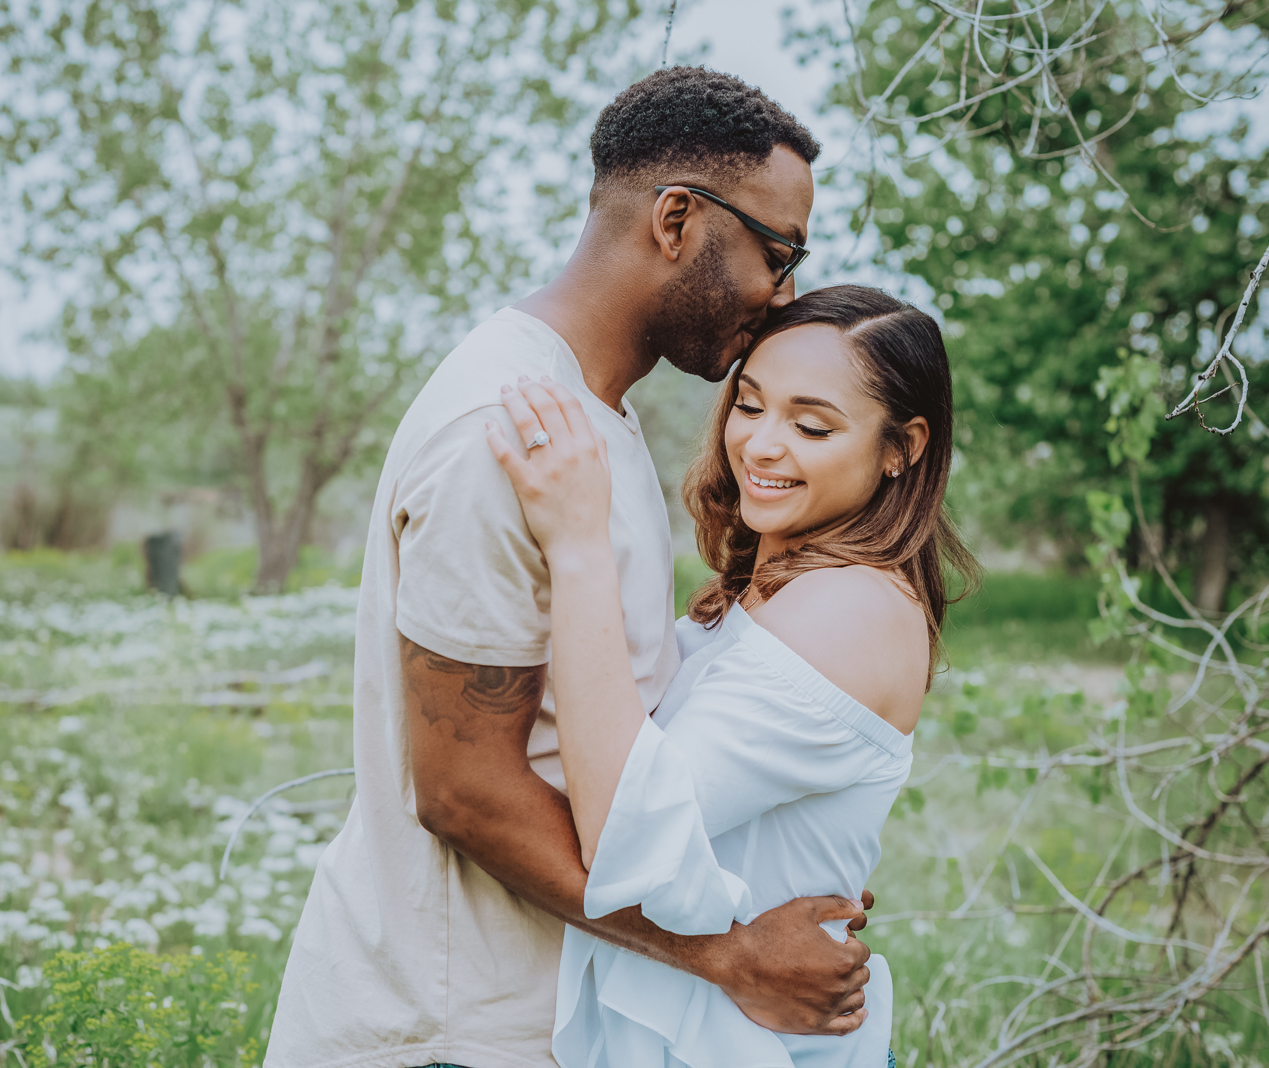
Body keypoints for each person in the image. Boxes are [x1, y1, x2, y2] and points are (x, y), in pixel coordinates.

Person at [266, 68, 877, 1068]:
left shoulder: (588, 414)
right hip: (445, 1030)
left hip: (537, 1016)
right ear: (675, 219)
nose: (783, 295)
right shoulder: (500, 428)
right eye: (776, 252)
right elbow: (463, 792)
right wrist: (728, 955)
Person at [483, 285, 979, 1067]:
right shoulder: (779, 586)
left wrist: (578, 542)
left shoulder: (852, 608)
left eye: (812, 425)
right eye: (750, 406)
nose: (761, 445)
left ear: (901, 447)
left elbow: (623, 830)